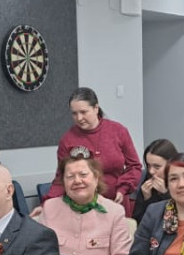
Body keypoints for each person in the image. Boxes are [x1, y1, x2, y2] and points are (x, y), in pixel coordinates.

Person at [41, 87, 143, 217]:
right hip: (84, 209)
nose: (79, 118)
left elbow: (134, 166)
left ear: (96, 108)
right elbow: (61, 179)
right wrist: (46, 205)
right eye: (74, 113)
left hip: (116, 202)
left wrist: (123, 189)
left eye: (84, 112)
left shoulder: (118, 131)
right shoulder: (67, 140)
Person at [132, 139, 179, 223]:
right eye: (148, 165)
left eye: (157, 167)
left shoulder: (182, 183)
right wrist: (147, 199)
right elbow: (138, 221)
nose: (151, 171)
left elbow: (182, 218)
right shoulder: (145, 178)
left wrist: (166, 194)